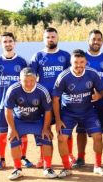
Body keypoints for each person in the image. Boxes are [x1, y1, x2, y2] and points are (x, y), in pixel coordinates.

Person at [52, 49, 103, 178]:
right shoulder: (63, 77)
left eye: (81, 62)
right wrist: (59, 120)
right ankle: (67, 167)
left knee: (98, 136)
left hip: (88, 111)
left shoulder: (92, 74)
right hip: (68, 113)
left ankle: (97, 166)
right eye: (75, 62)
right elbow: (55, 99)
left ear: (86, 62)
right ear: (71, 62)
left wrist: (98, 96)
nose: (79, 65)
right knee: (61, 138)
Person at [72, 29, 103, 168]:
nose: (96, 41)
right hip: (84, 102)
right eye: (93, 39)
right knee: (81, 131)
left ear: (102, 41)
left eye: (99, 39)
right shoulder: (81, 57)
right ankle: (81, 157)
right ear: (88, 41)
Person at [0, 32, 32, 170]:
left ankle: (23, 157)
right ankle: (1, 159)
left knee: (23, 133)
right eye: (5, 41)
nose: (7, 44)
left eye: (10, 41)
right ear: (0, 44)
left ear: (15, 43)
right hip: (3, 105)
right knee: (2, 133)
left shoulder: (22, 62)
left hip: (20, 105)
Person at [30, 27, 72, 168]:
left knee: (65, 128)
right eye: (48, 37)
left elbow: (71, 76)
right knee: (44, 128)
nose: (50, 39)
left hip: (62, 99)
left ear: (57, 38)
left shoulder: (66, 56)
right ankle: (42, 157)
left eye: (53, 37)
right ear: (44, 39)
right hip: (44, 101)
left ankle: (69, 155)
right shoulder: (37, 56)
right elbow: (31, 78)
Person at [4, 67, 56, 180]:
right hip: (19, 120)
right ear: (19, 80)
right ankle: (17, 169)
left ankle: (47, 168)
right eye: (25, 81)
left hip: (37, 120)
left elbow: (48, 111)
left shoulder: (42, 91)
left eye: (32, 80)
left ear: (36, 79)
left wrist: (46, 128)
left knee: (47, 138)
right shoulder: (13, 90)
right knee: (13, 139)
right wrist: (11, 129)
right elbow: (8, 110)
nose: (28, 84)